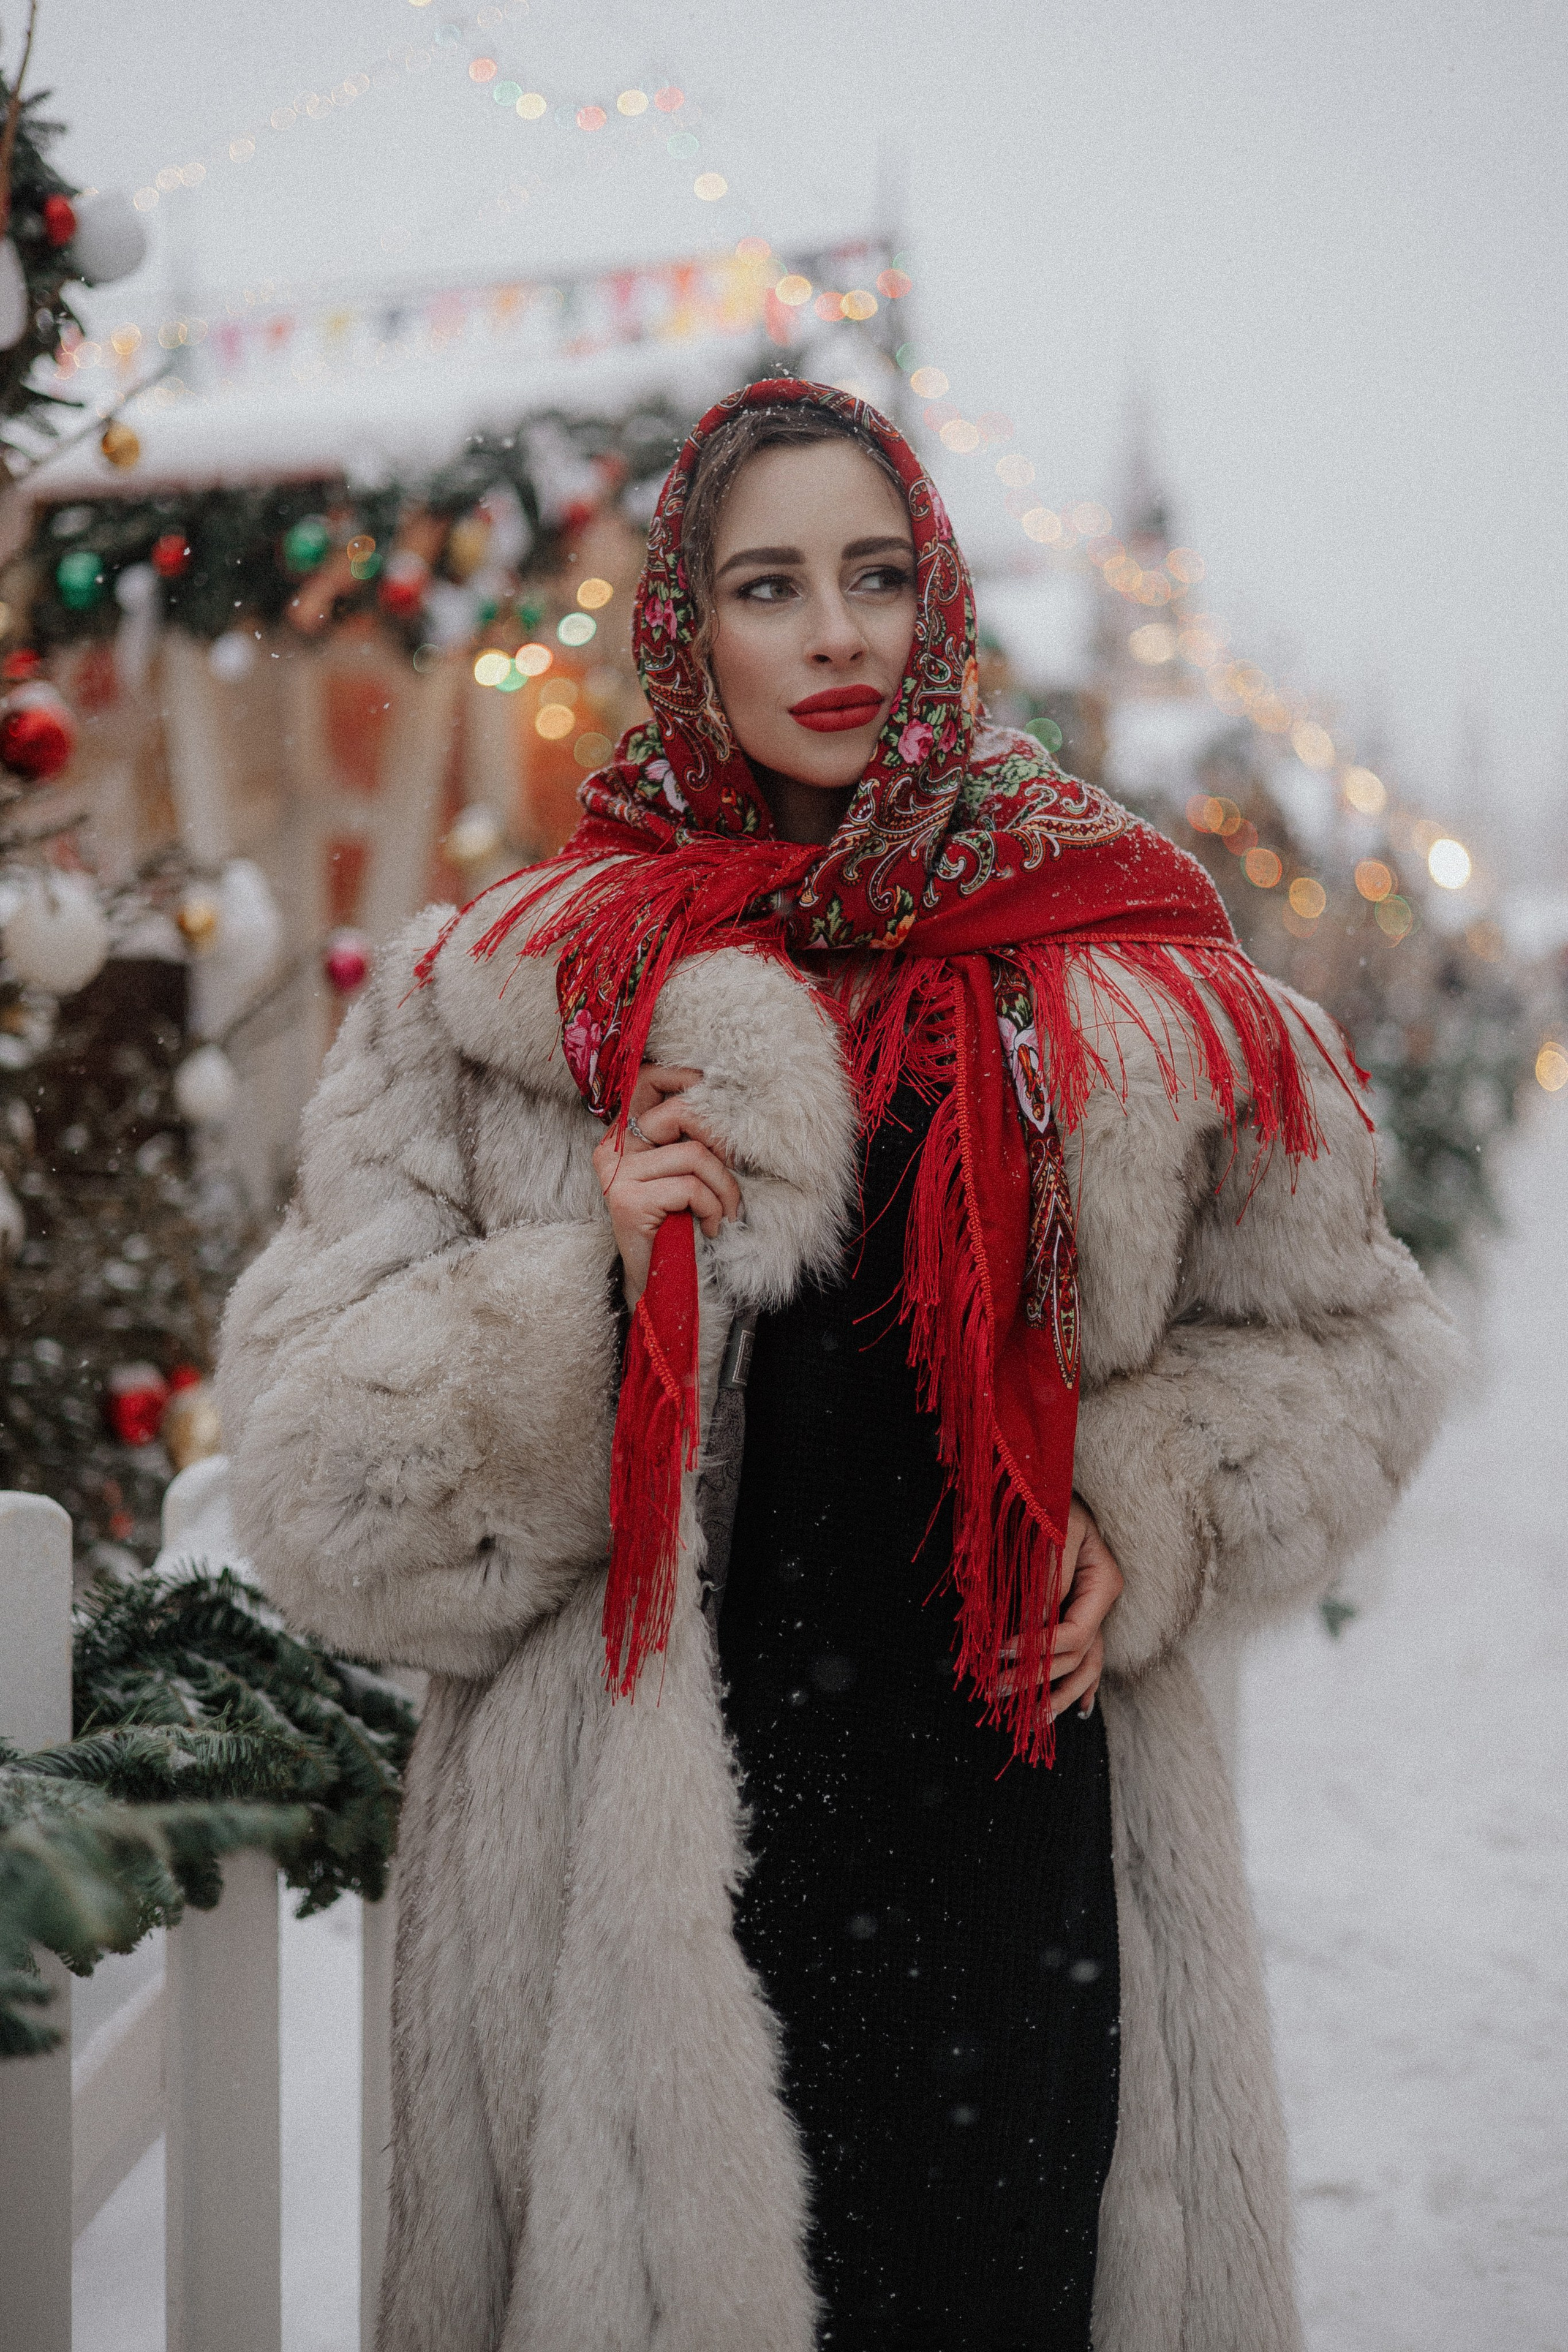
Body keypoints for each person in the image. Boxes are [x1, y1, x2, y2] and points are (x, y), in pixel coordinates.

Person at [218, 380, 1455, 2352]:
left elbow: (1356, 1341)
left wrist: (1157, 1504)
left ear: (941, 601)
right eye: (772, 585)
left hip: (1020, 1874)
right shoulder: (506, 999)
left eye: (878, 578)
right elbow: (316, 1484)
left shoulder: (1129, 985)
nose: (840, 636)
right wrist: (599, 1295)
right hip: (629, 1921)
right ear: (687, 629)